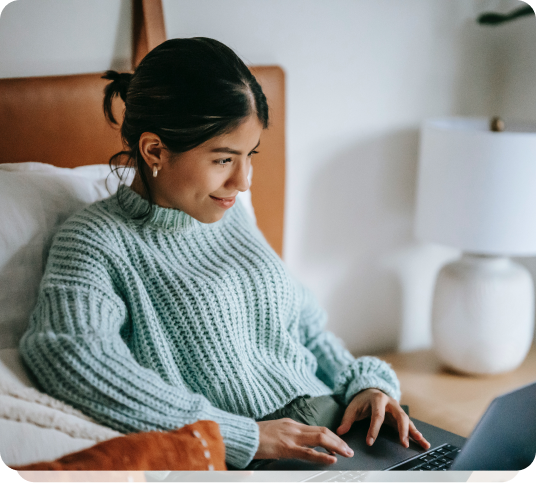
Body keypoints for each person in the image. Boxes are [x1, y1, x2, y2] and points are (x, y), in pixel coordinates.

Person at [19, 38, 429, 478]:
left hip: (337, 426)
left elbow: (305, 328)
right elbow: (70, 357)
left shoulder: (228, 217)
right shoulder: (95, 240)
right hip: (246, 461)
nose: (244, 181)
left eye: (249, 156)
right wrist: (236, 435)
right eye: (223, 159)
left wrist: (365, 384)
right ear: (154, 150)